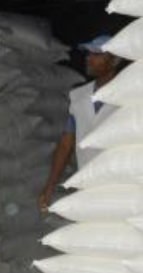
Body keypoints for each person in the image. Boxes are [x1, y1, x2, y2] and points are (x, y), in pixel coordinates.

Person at [38, 35, 125, 212]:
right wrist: (50, 186)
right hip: (88, 180)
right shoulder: (78, 96)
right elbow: (66, 143)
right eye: (88, 53)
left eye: (96, 54)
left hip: (122, 184)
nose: (88, 58)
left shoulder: (129, 93)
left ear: (115, 61)